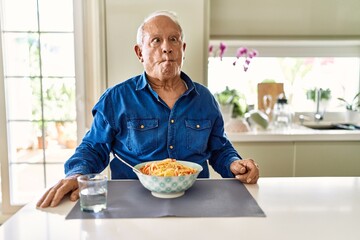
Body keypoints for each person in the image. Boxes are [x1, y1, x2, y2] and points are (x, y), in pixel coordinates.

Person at [37, 10, 260, 208]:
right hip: (129, 204)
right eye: (156, 41)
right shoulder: (116, 98)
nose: (166, 48)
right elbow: (94, 148)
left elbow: (220, 148)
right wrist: (77, 173)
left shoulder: (205, 99)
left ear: (182, 49)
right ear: (139, 52)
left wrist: (234, 164)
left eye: (174, 40)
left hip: (196, 203)